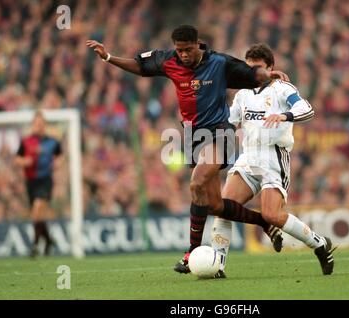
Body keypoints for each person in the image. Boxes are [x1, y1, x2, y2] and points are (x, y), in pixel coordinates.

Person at [86, 25, 289, 276]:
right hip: (193, 136)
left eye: (187, 50)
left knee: (197, 184)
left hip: (219, 133)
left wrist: (270, 75)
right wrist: (108, 57)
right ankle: (264, 223)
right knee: (214, 204)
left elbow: (251, 74)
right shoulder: (167, 59)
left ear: (197, 44)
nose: (182, 54)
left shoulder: (219, 62)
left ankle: (191, 253)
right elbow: (140, 66)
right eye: (179, 50)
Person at [211, 44, 336, 276]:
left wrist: (285, 115)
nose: (253, 73)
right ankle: (217, 264)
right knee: (223, 208)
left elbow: (306, 108)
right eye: (249, 68)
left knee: (272, 215)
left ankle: (319, 243)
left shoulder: (282, 88)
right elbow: (229, 120)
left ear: (270, 67)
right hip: (248, 156)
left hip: (273, 157)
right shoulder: (243, 93)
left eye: (257, 68)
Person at [15, 111, 62, 257]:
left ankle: (35, 246)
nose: (39, 126)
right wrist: (25, 162)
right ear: (33, 125)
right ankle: (48, 240)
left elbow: (60, 156)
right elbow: (17, 158)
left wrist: (57, 164)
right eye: (36, 124)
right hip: (31, 181)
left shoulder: (52, 142)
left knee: (37, 210)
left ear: (45, 125)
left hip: (45, 180)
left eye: (41, 124)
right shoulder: (26, 141)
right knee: (37, 215)